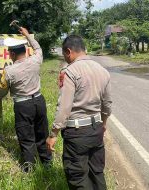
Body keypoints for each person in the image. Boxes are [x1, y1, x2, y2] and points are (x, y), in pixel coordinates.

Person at [46, 35, 112, 190]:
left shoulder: (69, 71)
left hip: (77, 134)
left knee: (78, 178)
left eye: (64, 55)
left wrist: (53, 134)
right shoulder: (102, 70)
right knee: (97, 173)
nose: (65, 58)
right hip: (96, 129)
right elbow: (107, 104)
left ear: (68, 51)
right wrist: (104, 124)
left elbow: (64, 106)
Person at [0, 27, 52, 172]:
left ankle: (29, 168)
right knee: (42, 133)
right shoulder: (35, 60)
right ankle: (47, 163)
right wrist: (27, 35)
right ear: (25, 51)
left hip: (23, 106)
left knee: (26, 137)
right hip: (39, 101)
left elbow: (2, 90)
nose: (9, 55)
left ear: (13, 54)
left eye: (9, 53)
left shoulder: (9, 71)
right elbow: (38, 48)